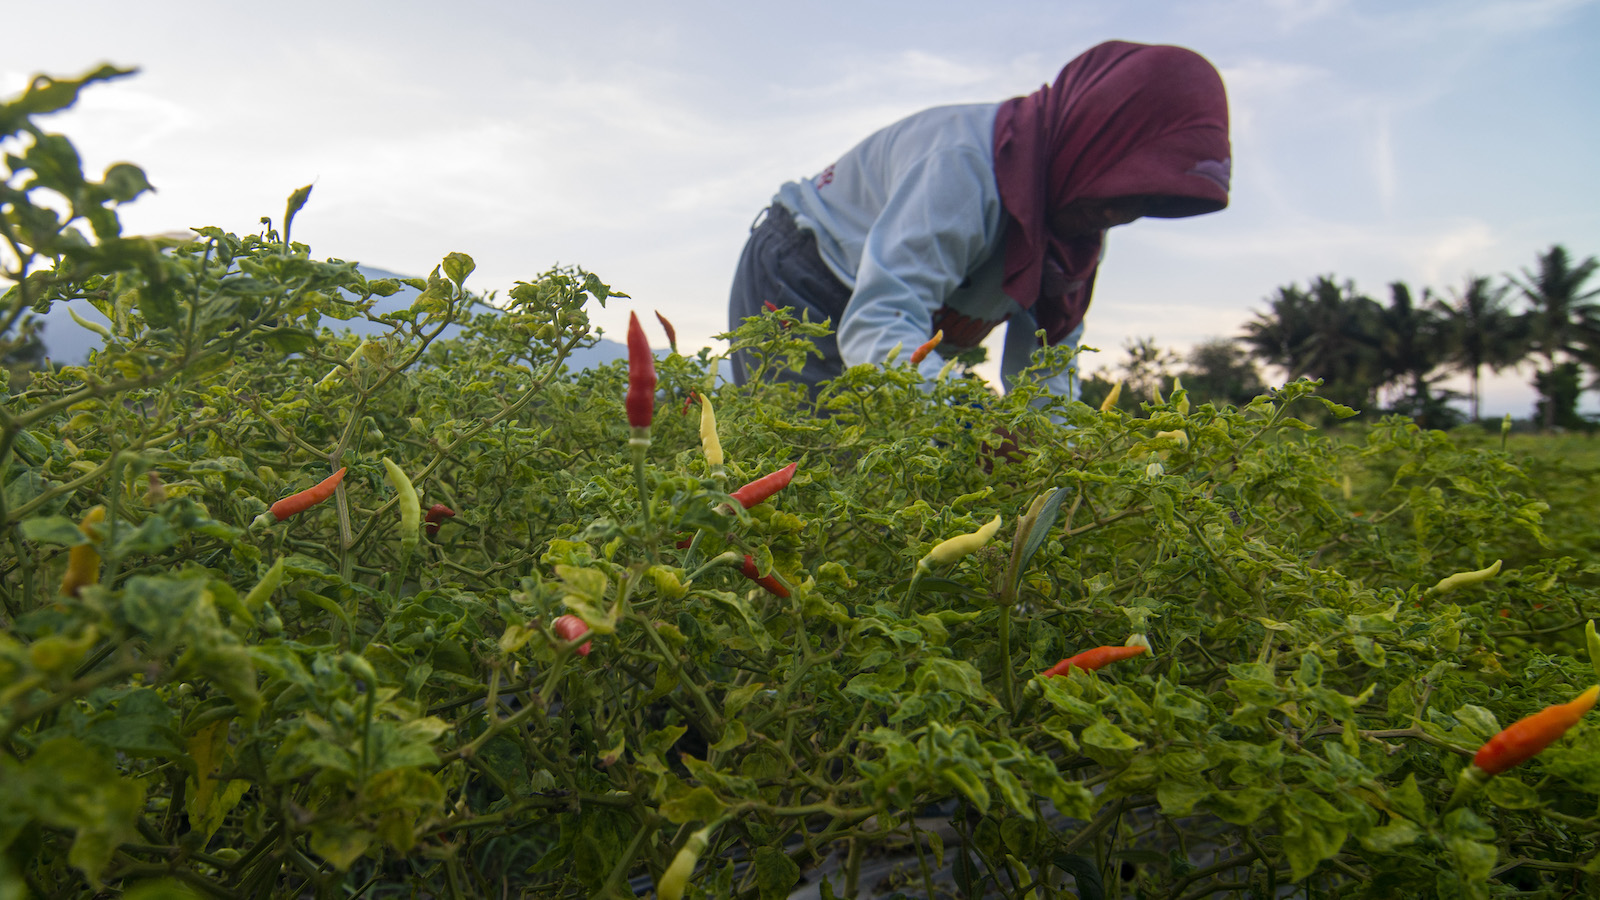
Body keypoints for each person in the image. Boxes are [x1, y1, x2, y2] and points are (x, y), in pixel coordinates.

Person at [727, 40, 1231, 402]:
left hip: (901, 322)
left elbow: (1045, 376)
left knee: (918, 477)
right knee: (809, 474)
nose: (1118, 215)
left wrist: (1071, 465)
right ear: (1092, 138)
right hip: (808, 274)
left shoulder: (1071, 234)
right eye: (1124, 181)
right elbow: (879, 323)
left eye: (1144, 198)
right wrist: (976, 421)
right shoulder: (962, 165)